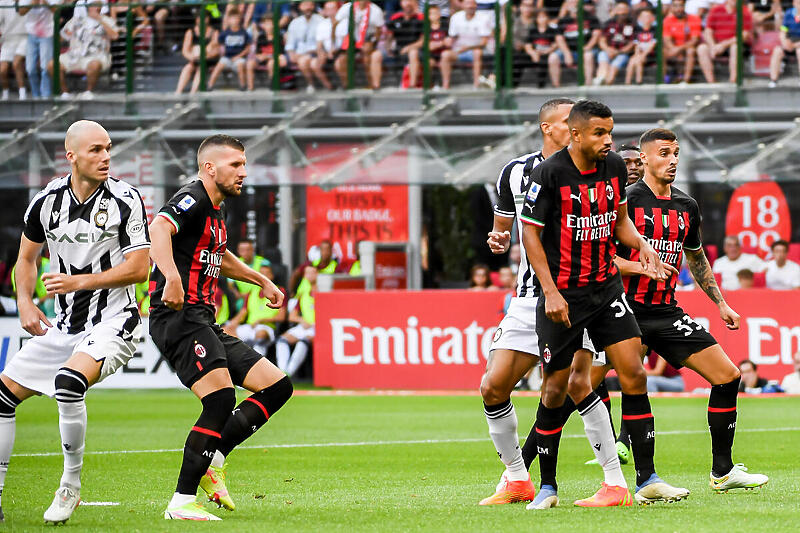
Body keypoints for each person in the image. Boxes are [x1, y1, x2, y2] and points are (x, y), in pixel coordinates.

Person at [520, 100, 684, 507]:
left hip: (606, 290)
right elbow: (530, 237)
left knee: (633, 373)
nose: (608, 140)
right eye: (599, 133)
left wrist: (643, 245)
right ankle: (548, 486)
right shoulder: (549, 174)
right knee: (556, 388)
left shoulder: (612, 168)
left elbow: (620, 221)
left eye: (610, 131)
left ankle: (645, 480)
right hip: (564, 295)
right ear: (575, 134)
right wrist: (551, 292)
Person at [0, 120, 150, 524]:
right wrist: (26, 303)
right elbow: (26, 260)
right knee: (1, 396)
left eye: (108, 149)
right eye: (96, 150)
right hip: (64, 325)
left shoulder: (125, 199)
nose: (105, 157)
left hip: (115, 320)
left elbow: (140, 268)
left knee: (69, 384)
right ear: (72, 156)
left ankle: (70, 487)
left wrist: (79, 280)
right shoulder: (46, 201)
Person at [607, 127, 768, 492]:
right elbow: (600, 258)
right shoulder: (625, 202)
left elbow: (696, 258)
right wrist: (637, 267)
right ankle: (645, 480)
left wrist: (721, 303)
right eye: (664, 153)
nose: (673, 160)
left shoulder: (685, 205)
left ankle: (723, 472)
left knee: (727, 376)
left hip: (665, 311)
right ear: (644, 158)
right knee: (590, 387)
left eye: (676, 153)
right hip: (624, 310)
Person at [148, 135, 292, 521]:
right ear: (210, 168)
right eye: (235, 165)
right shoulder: (192, 197)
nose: (243, 172)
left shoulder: (216, 210)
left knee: (278, 385)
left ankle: (215, 458)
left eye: (244, 164)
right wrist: (171, 278)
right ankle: (181, 502)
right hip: (176, 316)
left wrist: (260, 280)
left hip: (202, 319)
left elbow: (218, 254)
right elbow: (159, 228)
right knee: (219, 399)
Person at [480, 98, 589, 509]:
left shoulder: (593, 167)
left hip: (583, 294)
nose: (576, 129)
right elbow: (503, 226)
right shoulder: (514, 172)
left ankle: (619, 480)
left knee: (579, 385)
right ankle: (516, 478)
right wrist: (497, 238)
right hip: (530, 297)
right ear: (548, 127)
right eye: (568, 123)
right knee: (493, 386)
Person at [48, 3, 118, 100]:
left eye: (99, 5)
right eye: (94, 5)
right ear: (88, 7)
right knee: (52, 64)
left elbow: (115, 36)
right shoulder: (76, 20)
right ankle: (65, 93)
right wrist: (63, 30)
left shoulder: (107, 20)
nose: (97, 7)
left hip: (96, 55)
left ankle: (88, 92)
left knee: (94, 65)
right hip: (74, 55)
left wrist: (100, 19)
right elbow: (61, 38)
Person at [229, 264, 287, 355]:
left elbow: (281, 316)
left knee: (260, 335)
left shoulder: (279, 291)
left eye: (266, 274)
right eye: (261, 274)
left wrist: (262, 320)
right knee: (225, 332)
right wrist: (231, 324)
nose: (263, 277)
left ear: (272, 276)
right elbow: (243, 313)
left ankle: (255, 362)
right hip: (250, 326)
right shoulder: (252, 292)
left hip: (267, 327)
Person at [275, 265, 316, 378]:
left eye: (313, 273)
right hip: (304, 326)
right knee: (282, 340)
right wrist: (302, 320)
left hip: (318, 328)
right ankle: (282, 372)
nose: (310, 276)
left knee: (303, 341)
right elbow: (292, 316)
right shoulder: (303, 294)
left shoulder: (324, 293)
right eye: (307, 273)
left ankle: (289, 373)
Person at [697, 0, 753, 84]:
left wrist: (723, 45)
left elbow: (744, 35)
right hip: (716, 45)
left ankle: (733, 82)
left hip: (733, 45)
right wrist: (713, 46)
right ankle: (711, 83)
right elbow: (708, 31)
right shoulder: (716, 10)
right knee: (701, 48)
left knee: (735, 48)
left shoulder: (744, 11)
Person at [370, 0, 422, 89]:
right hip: (398, 50)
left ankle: (412, 85)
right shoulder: (395, 17)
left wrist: (409, 48)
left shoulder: (420, 18)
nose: (408, 4)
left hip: (415, 51)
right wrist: (388, 48)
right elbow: (389, 37)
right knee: (376, 55)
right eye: (405, 1)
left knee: (413, 53)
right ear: (401, 3)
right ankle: (376, 85)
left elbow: (423, 41)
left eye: (410, 1)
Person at [333, 0, 385, 89]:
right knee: (341, 60)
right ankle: (347, 85)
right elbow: (334, 25)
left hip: (368, 38)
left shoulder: (376, 10)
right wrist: (334, 44)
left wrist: (373, 42)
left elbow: (379, 31)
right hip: (351, 39)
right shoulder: (347, 7)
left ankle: (371, 83)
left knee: (367, 55)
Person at [440, 0, 491, 89]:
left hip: (476, 51)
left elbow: (484, 42)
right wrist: (447, 41)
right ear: (462, 5)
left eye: (473, 3)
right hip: (459, 51)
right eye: (468, 3)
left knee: (477, 53)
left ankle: (476, 84)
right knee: (445, 55)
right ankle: (445, 86)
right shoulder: (455, 17)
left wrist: (467, 48)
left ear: (476, 5)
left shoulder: (483, 18)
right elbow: (453, 37)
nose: (470, 6)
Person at [18, 0, 59, 99]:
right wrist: (33, 3)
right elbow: (21, 12)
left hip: (47, 34)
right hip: (31, 34)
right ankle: (36, 95)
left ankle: (46, 95)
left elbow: (57, 11)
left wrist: (45, 2)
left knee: (45, 66)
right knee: (30, 68)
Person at [283, 0, 324, 92]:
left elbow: (321, 43)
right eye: (305, 5)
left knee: (303, 61)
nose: (308, 7)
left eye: (310, 4)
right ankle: (284, 86)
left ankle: (311, 85)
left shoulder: (320, 20)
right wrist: (291, 53)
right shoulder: (295, 22)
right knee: (278, 60)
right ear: (300, 7)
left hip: (314, 53)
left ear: (313, 6)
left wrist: (304, 54)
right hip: (298, 53)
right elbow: (290, 42)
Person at [175, 13, 220, 94]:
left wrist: (206, 56)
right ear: (196, 20)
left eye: (205, 18)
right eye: (199, 18)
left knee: (201, 69)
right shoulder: (190, 32)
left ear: (208, 19)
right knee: (188, 67)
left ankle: (193, 93)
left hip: (209, 59)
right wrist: (191, 57)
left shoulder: (214, 32)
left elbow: (216, 50)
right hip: (194, 58)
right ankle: (178, 93)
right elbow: (185, 51)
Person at [208, 8, 250, 91]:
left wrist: (239, 56)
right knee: (218, 67)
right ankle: (209, 86)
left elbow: (248, 48)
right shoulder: (225, 33)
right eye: (233, 18)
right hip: (227, 57)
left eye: (237, 18)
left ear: (240, 20)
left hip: (239, 58)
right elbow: (218, 43)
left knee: (240, 66)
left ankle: (243, 86)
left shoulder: (243, 32)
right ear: (229, 20)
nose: (235, 21)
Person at [594, 1, 636, 86]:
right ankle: (600, 80)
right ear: (616, 10)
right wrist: (608, 50)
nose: (622, 12)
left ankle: (606, 82)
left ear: (628, 11)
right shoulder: (608, 23)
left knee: (614, 67)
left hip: (623, 54)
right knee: (603, 60)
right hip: (608, 51)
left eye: (624, 10)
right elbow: (602, 41)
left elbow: (633, 43)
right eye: (620, 9)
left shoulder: (633, 24)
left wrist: (618, 52)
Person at [407, 3, 448, 88]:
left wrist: (437, 44)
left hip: (443, 54)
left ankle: (443, 85)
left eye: (435, 13)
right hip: (431, 55)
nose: (433, 16)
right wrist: (409, 47)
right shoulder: (426, 27)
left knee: (444, 58)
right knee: (428, 63)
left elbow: (448, 41)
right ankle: (426, 86)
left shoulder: (445, 25)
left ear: (439, 14)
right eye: (430, 14)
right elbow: (422, 41)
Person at [663, 0, 702, 84]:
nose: (678, 9)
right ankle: (664, 79)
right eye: (675, 6)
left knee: (690, 51)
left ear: (684, 6)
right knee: (662, 52)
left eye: (680, 6)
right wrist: (673, 49)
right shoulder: (667, 20)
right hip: (672, 49)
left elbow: (694, 40)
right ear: (671, 7)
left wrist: (678, 49)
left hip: (686, 48)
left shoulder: (694, 19)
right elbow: (666, 39)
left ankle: (685, 80)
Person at [523, 8, 559, 88]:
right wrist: (533, 53)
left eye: (544, 17)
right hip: (535, 54)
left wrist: (548, 51)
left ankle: (541, 85)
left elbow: (556, 44)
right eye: (540, 17)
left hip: (547, 53)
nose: (542, 19)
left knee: (543, 61)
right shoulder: (532, 31)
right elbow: (527, 45)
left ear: (547, 18)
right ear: (536, 19)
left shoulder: (552, 30)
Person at [769, 0, 800, 88]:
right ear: (794, 3)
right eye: (798, 3)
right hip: (789, 40)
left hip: (798, 44)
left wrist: (795, 45)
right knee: (777, 51)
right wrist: (784, 42)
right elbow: (783, 30)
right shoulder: (789, 13)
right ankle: (773, 80)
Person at [0, 0, 27, 100]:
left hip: (25, 37)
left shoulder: (27, 1)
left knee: (16, 63)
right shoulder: (2, 3)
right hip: (8, 39)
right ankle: (5, 94)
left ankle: (22, 93)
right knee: (2, 70)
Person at [624, 7, 657, 85]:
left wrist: (642, 55)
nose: (646, 19)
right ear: (639, 18)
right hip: (639, 54)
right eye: (644, 17)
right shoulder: (637, 30)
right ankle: (627, 82)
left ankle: (639, 81)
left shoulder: (655, 30)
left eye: (648, 16)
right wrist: (637, 54)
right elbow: (636, 45)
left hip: (650, 56)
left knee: (638, 60)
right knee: (632, 61)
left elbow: (652, 45)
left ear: (653, 18)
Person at [311, 0, 339, 90]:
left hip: (341, 52)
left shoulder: (345, 22)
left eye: (333, 9)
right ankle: (330, 87)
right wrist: (321, 53)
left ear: (338, 9)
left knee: (339, 64)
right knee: (315, 64)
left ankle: (346, 86)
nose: (330, 12)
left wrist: (335, 51)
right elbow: (319, 44)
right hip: (326, 53)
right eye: (328, 9)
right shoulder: (322, 24)